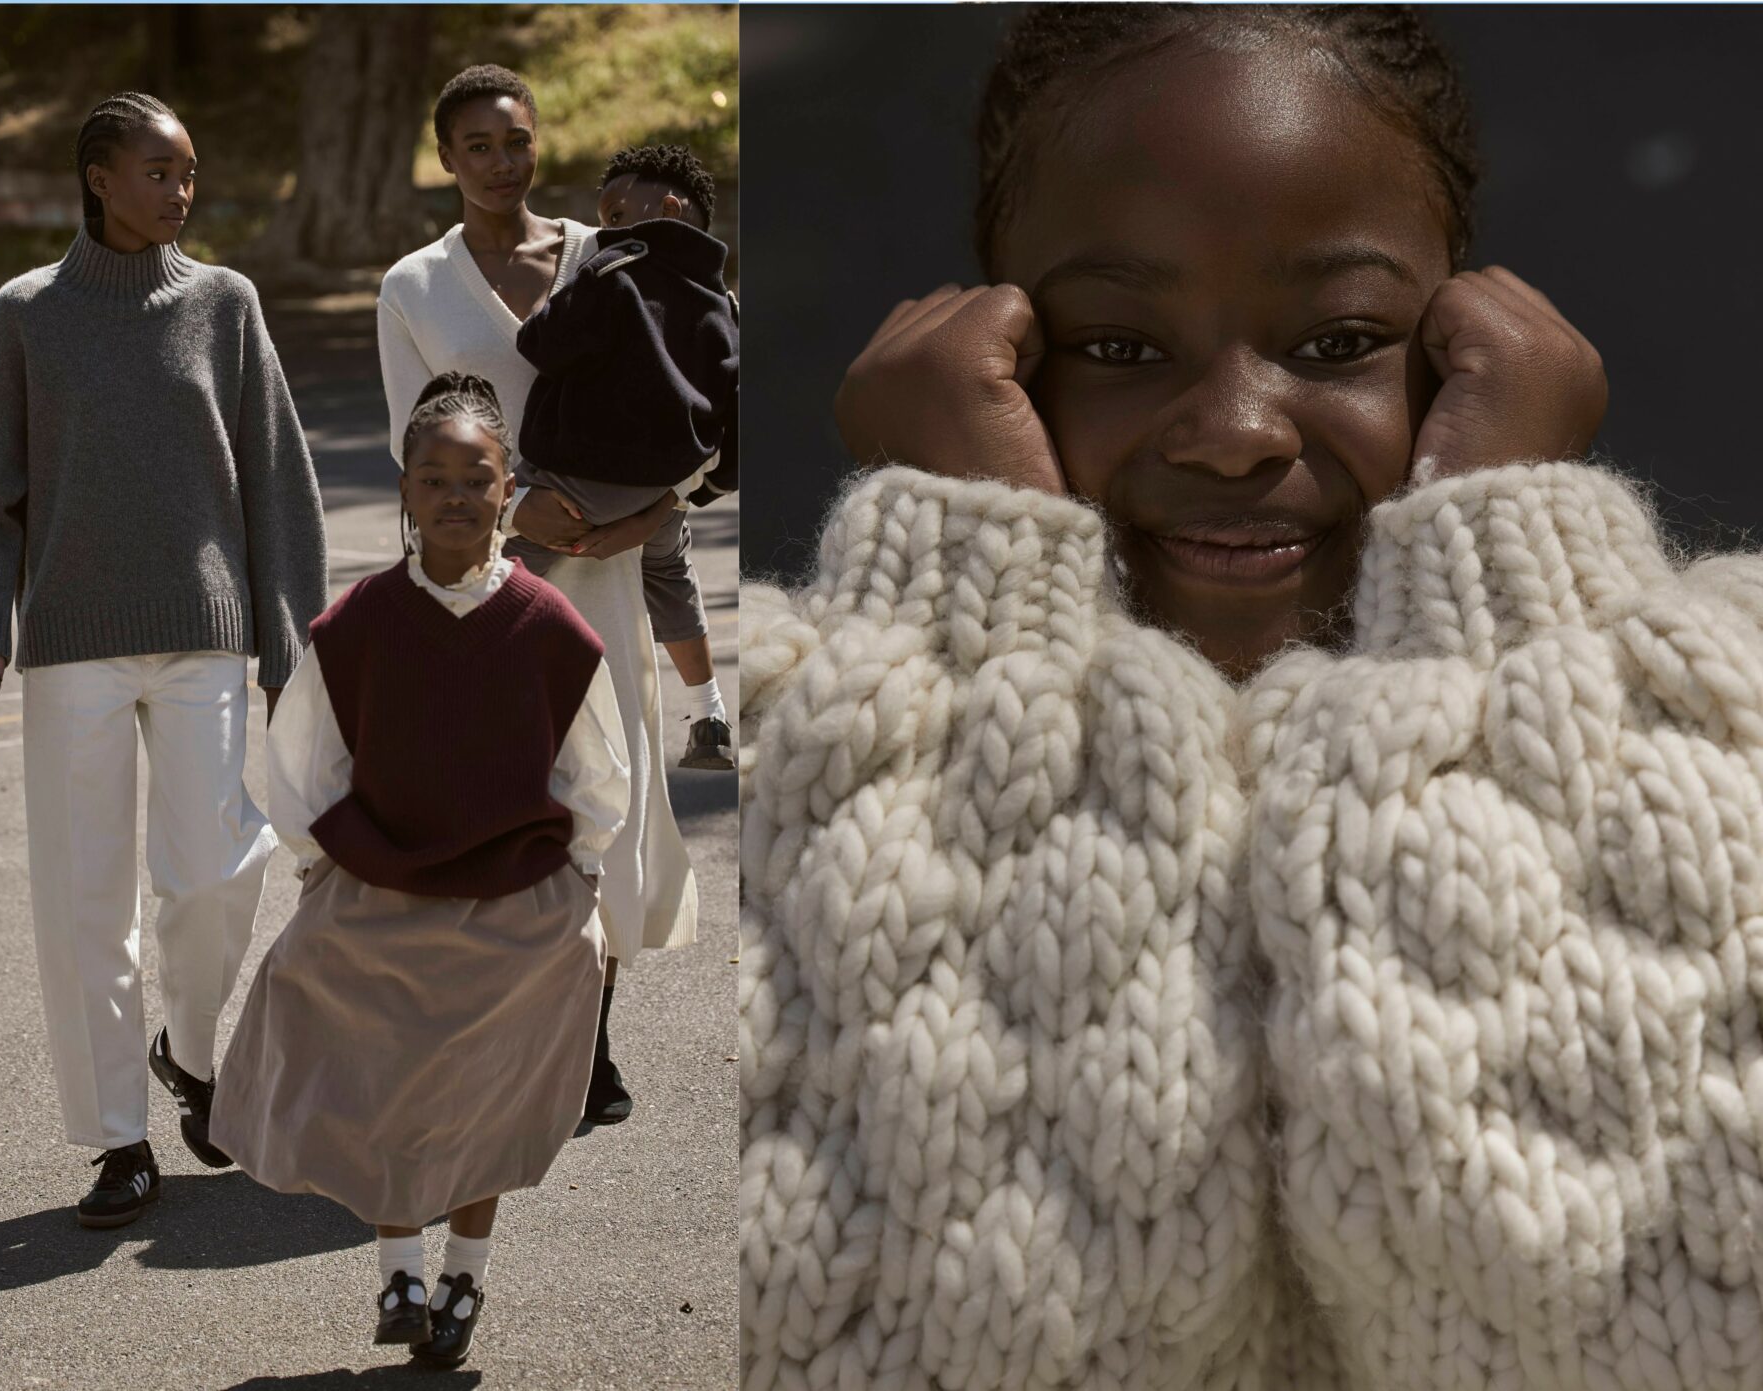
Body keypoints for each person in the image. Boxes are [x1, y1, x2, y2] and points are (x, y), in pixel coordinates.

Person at [740, 7, 1761, 1389]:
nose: (1234, 430)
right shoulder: (783, 745)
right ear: (1001, 350)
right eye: (1116, 344)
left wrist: (1523, 632)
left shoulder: (1718, 716)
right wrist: (975, 649)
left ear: (1472, 340)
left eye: (1340, 340)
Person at [0, 92, 328, 1228]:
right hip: (71, 645)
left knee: (215, 869)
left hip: (205, 633)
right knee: (82, 900)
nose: (180, 190)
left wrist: (288, 640)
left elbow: (276, 480)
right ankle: (117, 1138)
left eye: (190, 172)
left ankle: (189, 1049)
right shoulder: (27, 314)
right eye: (158, 171)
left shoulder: (226, 304)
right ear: (98, 178)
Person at [211, 373, 629, 1368]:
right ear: (403, 490)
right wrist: (326, 868)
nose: (451, 494)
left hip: (514, 908)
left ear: (506, 488)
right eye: (430, 476)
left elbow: (597, 777)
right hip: (382, 892)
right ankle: (400, 1268)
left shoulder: (550, 630)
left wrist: (577, 882)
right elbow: (297, 767)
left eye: (472, 477)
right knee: (381, 1080)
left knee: (483, 1095)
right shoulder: (355, 626)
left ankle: (464, 1275)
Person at [376, 65, 697, 1129]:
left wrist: (650, 515)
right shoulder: (412, 287)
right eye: (477, 145)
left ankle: (591, 1040)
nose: (500, 161)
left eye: (515, 140)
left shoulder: (607, 253)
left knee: (603, 797)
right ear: (445, 159)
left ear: (536, 142)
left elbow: (692, 387)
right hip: (485, 585)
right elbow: (407, 444)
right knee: (504, 800)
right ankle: (511, 1027)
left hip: (604, 572)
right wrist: (514, 516)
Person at [508, 142, 739, 773]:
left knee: (502, 572)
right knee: (669, 574)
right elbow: (735, 425)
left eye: (613, 213)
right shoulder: (725, 305)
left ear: (663, 208)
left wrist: (543, 308)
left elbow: (544, 345)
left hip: (583, 475)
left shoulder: (619, 271)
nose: (602, 228)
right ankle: (710, 713)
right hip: (663, 491)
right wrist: (688, 492)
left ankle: (471, 687)